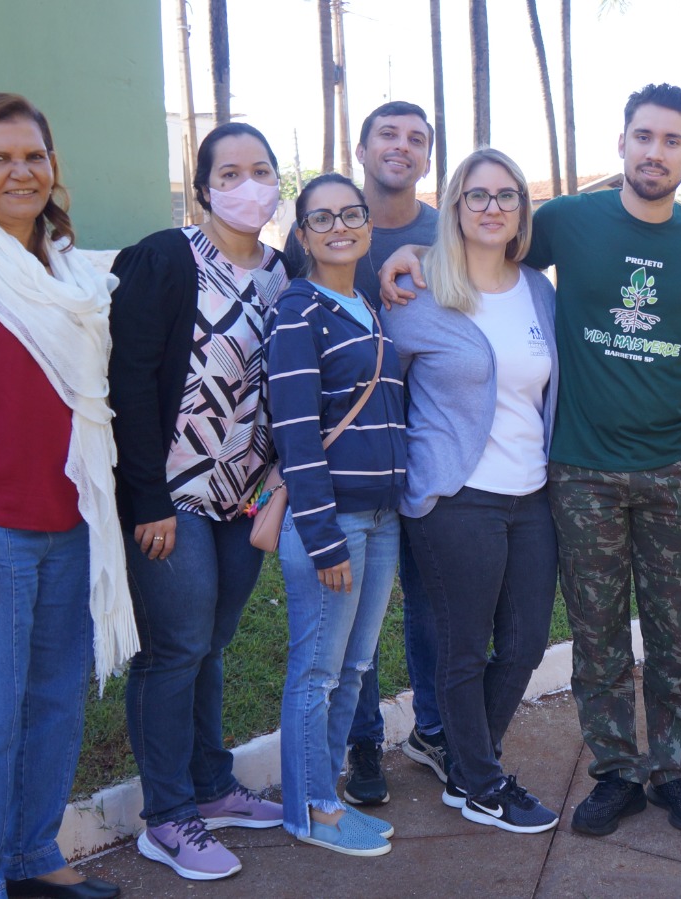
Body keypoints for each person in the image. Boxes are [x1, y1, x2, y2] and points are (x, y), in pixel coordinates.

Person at [378, 84, 681, 837]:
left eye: (671, 140)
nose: (655, 152)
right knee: (597, 632)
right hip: (579, 468)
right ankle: (615, 771)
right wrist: (410, 253)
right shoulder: (568, 220)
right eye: (643, 136)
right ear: (621, 142)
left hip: (672, 462)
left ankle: (675, 770)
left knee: (677, 629)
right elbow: (488, 238)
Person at [0, 92, 136, 899]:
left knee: (52, 709)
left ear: (54, 167)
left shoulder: (73, 270)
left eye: (34, 156)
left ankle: (31, 855)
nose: (20, 171)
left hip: (73, 523)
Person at [110, 122, 287, 880]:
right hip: (172, 496)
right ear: (204, 185)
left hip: (241, 495)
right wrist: (145, 498)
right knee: (174, 647)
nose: (249, 185)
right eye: (231, 172)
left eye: (262, 170)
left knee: (211, 643)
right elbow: (129, 383)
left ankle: (211, 785)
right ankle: (168, 815)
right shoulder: (164, 258)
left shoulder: (287, 272)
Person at [384, 148, 562, 834]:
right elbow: (378, 387)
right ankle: (483, 782)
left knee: (524, 643)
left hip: (531, 492)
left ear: (522, 209)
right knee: (464, 647)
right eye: (478, 195)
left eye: (507, 196)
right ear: (455, 206)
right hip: (456, 495)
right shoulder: (418, 288)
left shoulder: (539, 291)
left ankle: (464, 761)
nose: (493, 208)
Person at [281, 102, 447, 802]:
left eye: (416, 138)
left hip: (406, 478)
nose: (340, 227)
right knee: (330, 660)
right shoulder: (307, 285)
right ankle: (332, 778)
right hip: (340, 496)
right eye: (388, 133)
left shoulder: (436, 241)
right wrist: (318, 528)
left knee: (381, 636)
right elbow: (295, 416)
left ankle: (412, 740)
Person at [268, 174, 408, 857]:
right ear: (302, 236)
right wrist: (323, 540)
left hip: (383, 518)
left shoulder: (364, 305)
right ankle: (311, 808)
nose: (338, 226)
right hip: (333, 524)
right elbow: (296, 434)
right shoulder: (299, 312)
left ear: (367, 227)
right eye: (321, 218)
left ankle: (326, 792)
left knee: (353, 669)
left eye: (350, 214)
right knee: (317, 674)